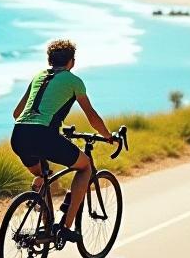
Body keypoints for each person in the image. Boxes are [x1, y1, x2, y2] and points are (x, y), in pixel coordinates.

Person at [10, 39, 114, 244]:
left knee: (43, 175)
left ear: (50, 60)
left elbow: (16, 114)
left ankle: (45, 218)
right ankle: (64, 227)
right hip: (44, 135)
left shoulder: (38, 77)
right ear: (71, 62)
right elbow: (91, 116)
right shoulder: (74, 81)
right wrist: (108, 136)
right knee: (85, 166)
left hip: (19, 135)